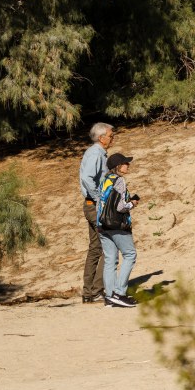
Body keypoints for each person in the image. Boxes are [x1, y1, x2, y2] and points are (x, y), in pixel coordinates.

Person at [97, 153, 141, 309]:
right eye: (125, 163)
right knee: (130, 254)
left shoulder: (104, 180)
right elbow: (121, 207)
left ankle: (109, 297)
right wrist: (133, 203)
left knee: (110, 260)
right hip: (117, 225)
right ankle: (119, 293)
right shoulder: (120, 181)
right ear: (118, 166)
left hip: (102, 225)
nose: (128, 165)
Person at [78, 122, 114, 303]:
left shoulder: (96, 153)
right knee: (109, 247)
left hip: (91, 205)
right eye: (110, 135)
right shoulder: (96, 154)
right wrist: (100, 198)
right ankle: (97, 290)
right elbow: (87, 178)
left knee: (95, 248)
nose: (112, 138)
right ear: (101, 138)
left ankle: (88, 292)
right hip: (95, 206)